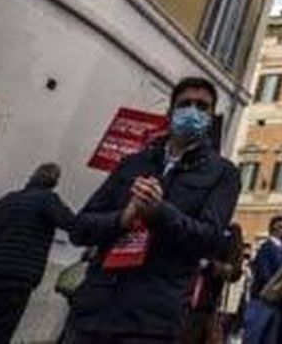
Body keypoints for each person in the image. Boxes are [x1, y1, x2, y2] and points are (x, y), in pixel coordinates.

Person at [67, 75, 241, 342]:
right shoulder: (132, 163)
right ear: (170, 112)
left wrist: (159, 213)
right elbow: (80, 228)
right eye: (185, 104)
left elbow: (210, 240)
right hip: (94, 310)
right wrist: (123, 219)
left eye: (202, 106)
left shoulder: (223, 174)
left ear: (211, 118)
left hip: (152, 320)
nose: (192, 111)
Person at [0, 162, 77, 343]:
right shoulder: (49, 200)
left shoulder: (10, 199)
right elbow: (72, 224)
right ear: (54, 182)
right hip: (18, 279)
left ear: (32, 177)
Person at [182, 224, 245, 344]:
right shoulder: (194, 221)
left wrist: (212, 265)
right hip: (179, 297)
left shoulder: (230, 231)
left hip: (205, 304)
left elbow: (234, 270)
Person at [244, 215, 282, 344]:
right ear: (277, 229)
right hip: (263, 301)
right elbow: (264, 274)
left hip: (277, 303)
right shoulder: (267, 248)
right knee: (258, 337)